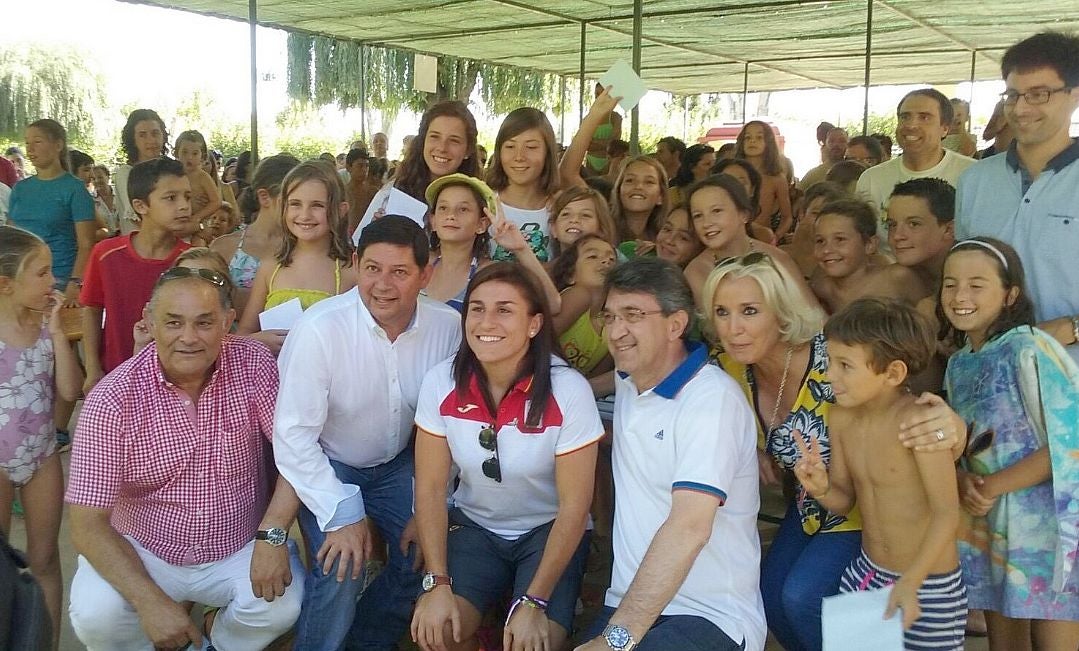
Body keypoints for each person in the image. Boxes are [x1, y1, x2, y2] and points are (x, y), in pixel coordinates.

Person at [706, 253, 967, 651]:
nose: (733, 327)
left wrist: (954, 427)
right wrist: (814, 482)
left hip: (920, 576)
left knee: (802, 596)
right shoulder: (731, 370)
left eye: (749, 311)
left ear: (779, 312)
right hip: (853, 548)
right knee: (778, 597)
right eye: (721, 312)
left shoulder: (869, 388)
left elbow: (947, 507)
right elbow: (841, 497)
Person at [66, 266, 304, 650]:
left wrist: (273, 533)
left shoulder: (254, 364)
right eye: (173, 323)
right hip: (146, 549)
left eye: (204, 323)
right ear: (149, 321)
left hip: (236, 543)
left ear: (227, 322)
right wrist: (150, 601)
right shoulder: (111, 400)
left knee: (281, 606)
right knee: (97, 615)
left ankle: (219, 642)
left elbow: (298, 453)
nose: (188, 338)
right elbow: (86, 522)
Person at [274, 216, 462, 650]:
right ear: (355, 263)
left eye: (400, 272)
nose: (383, 284)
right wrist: (341, 512)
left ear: (426, 274)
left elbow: (453, 426)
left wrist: (434, 503)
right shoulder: (320, 328)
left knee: (423, 556)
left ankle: (365, 641)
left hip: (402, 463)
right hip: (331, 462)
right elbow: (294, 437)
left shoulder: (447, 328)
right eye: (373, 268)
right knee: (341, 564)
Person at [576, 257, 766, 651]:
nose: (616, 332)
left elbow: (689, 527)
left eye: (632, 315)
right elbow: (586, 388)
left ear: (676, 324)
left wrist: (617, 639)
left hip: (709, 615)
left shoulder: (711, 401)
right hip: (630, 601)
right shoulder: (631, 379)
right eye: (610, 317)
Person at [411, 262, 603, 651]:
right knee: (438, 632)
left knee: (536, 642)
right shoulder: (441, 382)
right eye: (477, 308)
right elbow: (430, 488)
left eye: (504, 310)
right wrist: (437, 583)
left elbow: (574, 508)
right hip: (476, 528)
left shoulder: (568, 390)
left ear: (534, 325)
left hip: (546, 531)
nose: (486, 321)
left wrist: (534, 602)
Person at [796, 297, 966, 650]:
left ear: (893, 373)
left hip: (929, 582)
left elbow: (947, 513)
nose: (830, 375)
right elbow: (844, 503)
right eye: (830, 362)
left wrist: (911, 581)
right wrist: (822, 487)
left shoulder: (919, 423)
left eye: (845, 365)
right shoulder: (840, 418)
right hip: (868, 573)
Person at [939, 238, 1079, 650]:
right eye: (950, 284)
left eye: (977, 284)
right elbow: (964, 446)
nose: (960, 296)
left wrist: (992, 486)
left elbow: (1069, 443)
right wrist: (962, 479)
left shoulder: (1030, 348)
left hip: (1047, 529)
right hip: (990, 526)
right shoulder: (959, 363)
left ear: (1010, 294)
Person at [955, 31, 1079, 366]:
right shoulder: (975, 180)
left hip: (1070, 378)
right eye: (1012, 95)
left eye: (1039, 94)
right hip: (989, 372)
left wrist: (1071, 328)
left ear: (1075, 95)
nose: (1021, 108)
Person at [0, 226, 83, 649]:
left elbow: (69, 392)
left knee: (45, 558)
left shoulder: (49, 324)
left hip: (42, 456)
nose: (53, 281)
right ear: (6, 284)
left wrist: (55, 333)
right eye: (42, 273)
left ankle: (44, 643)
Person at [80, 157, 192, 394]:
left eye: (187, 197)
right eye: (171, 198)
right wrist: (92, 369)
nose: (184, 206)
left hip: (176, 382)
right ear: (141, 206)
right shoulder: (106, 254)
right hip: (116, 374)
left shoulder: (191, 261)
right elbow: (91, 310)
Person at [237, 161, 356, 336]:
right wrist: (260, 341)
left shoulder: (351, 270)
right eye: (295, 204)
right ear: (283, 207)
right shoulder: (271, 267)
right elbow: (244, 333)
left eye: (317, 205)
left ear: (341, 210)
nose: (305, 215)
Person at [856, 89, 976, 251]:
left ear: (945, 128)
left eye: (924, 117)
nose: (911, 125)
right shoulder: (871, 179)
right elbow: (862, 243)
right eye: (905, 117)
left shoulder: (972, 175)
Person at [563, 87, 670, 258]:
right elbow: (568, 173)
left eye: (649, 182)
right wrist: (594, 116)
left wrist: (661, 251)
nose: (638, 186)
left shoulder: (668, 237)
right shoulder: (600, 221)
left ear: (661, 196)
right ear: (618, 189)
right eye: (629, 180)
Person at [682, 174, 807, 311]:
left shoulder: (778, 259)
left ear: (744, 214)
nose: (706, 223)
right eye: (698, 216)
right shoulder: (696, 272)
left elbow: (814, 317)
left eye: (716, 211)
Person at [355, 101, 479, 236]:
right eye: (434, 137)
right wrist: (374, 235)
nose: (442, 148)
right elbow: (359, 249)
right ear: (423, 142)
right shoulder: (390, 195)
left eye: (454, 140)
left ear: (468, 150)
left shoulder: (479, 203)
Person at [7, 119, 96, 304]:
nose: (30, 149)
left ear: (58, 145)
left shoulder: (75, 189)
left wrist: (76, 282)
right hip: (19, 282)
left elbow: (86, 244)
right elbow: (10, 237)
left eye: (37, 141)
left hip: (58, 284)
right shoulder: (19, 189)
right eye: (27, 143)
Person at [210, 153, 300, 325]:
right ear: (265, 197)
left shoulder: (306, 248)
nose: (301, 210)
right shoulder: (225, 247)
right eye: (293, 202)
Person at [811, 198, 923, 312]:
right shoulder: (820, 285)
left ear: (870, 245)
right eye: (820, 241)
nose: (826, 250)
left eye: (840, 239)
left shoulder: (896, 279)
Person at [552, 235, 616, 376]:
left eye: (612, 259)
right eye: (593, 256)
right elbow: (541, 340)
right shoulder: (579, 296)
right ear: (570, 275)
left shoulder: (612, 321)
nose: (606, 261)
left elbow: (593, 377)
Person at [114, 109, 170, 235]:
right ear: (133, 139)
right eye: (143, 135)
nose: (151, 140)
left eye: (155, 133)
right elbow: (139, 219)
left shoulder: (171, 171)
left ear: (163, 135)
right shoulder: (126, 174)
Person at [736, 121, 794, 239]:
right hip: (733, 238)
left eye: (759, 137)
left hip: (762, 239)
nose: (752, 141)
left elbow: (787, 217)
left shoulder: (777, 178)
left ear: (768, 143)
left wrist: (775, 237)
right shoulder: (731, 173)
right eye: (748, 137)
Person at [782, 181, 848, 278]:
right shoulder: (779, 257)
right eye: (816, 214)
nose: (823, 221)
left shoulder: (847, 259)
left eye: (831, 215)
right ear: (802, 214)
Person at [547, 185, 617, 262]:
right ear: (553, 228)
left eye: (585, 215)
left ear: (601, 228)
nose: (574, 220)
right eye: (566, 214)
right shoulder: (542, 272)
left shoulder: (614, 269)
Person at [173, 130, 223, 232]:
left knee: (199, 242)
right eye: (184, 152)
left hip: (199, 222)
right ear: (176, 153)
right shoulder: (172, 175)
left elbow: (216, 201)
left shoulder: (203, 177)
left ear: (203, 156)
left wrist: (197, 217)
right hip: (177, 220)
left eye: (195, 153)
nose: (189, 157)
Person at [585, 82, 623, 175]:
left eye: (603, 94)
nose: (599, 97)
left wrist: (595, 144)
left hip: (609, 162)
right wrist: (605, 144)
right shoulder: (589, 118)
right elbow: (585, 144)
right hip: (591, 161)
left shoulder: (615, 117)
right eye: (597, 94)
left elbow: (614, 144)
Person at [668, 143, 716, 208]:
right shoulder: (673, 194)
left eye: (715, 163)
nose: (713, 168)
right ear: (691, 167)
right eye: (707, 164)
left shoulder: (719, 191)